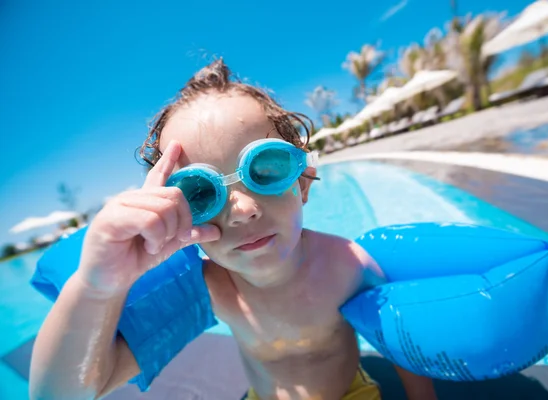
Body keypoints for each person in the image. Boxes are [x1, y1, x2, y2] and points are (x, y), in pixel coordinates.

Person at [30, 58, 438, 400]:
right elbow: (63, 393)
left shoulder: (346, 265)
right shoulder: (212, 287)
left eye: (265, 169)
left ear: (303, 182)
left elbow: (398, 343)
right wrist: (98, 286)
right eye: (198, 192)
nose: (241, 210)